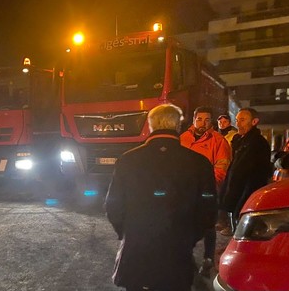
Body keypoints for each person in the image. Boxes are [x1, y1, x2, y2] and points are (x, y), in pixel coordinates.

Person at [105, 104, 217, 291]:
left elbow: (113, 205)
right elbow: (208, 208)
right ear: (178, 126)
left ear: (150, 126)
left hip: (137, 252)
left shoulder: (127, 160)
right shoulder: (199, 162)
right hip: (178, 252)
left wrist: (126, 232)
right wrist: (191, 236)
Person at [180, 106, 231, 277]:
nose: (203, 123)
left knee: (208, 226)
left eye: (207, 119)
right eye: (199, 119)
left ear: (211, 121)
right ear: (193, 120)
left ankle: (208, 258)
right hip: (185, 192)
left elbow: (221, 168)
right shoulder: (183, 138)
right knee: (185, 225)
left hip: (207, 191)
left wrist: (208, 185)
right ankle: (186, 258)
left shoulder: (218, 141)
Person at [219, 108, 272, 235]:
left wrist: (244, 198)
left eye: (242, 120)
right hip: (237, 191)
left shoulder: (258, 143)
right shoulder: (242, 141)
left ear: (254, 121)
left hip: (246, 194)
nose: (238, 124)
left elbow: (255, 175)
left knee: (245, 229)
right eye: (237, 120)